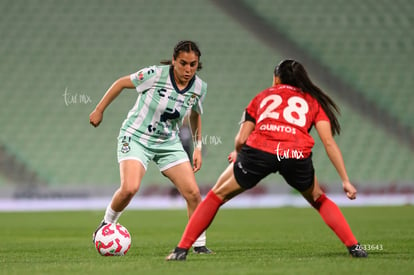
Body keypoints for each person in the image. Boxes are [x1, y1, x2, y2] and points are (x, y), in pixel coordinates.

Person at [166, 59, 368, 260]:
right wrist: (345, 180)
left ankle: (180, 250)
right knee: (319, 199)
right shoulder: (312, 101)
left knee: (215, 196)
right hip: (294, 154)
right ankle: (355, 248)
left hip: (260, 152)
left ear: (276, 78)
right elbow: (329, 143)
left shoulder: (262, 97)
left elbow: (241, 139)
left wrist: (239, 153)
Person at [89, 40, 212, 254]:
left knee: (193, 193)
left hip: (168, 143)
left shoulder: (199, 88)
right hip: (136, 137)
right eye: (183, 63)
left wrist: (198, 147)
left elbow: (195, 115)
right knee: (129, 188)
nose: (188, 69)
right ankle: (106, 223)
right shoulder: (155, 74)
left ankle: (199, 244)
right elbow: (120, 83)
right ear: (174, 61)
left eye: (193, 64)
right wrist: (99, 110)